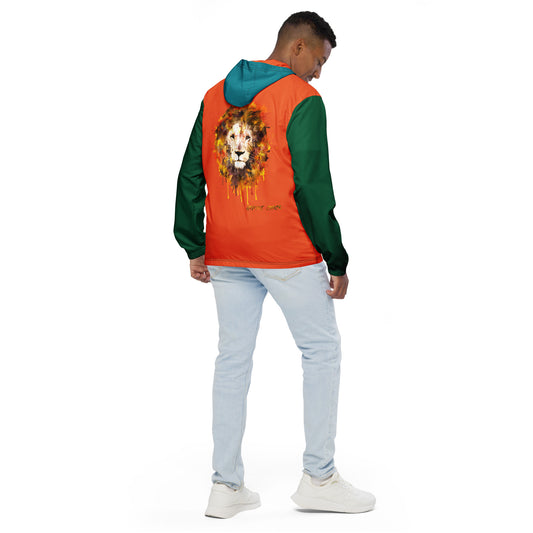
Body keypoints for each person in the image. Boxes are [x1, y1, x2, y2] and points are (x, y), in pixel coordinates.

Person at [173, 11, 376, 519]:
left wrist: (194, 244)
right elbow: (312, 186)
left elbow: (191, 172)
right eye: (319, 61)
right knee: (321, 351)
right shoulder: (301, 99)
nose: (319, 74)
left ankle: (225, 486)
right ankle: (319, 478)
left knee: (232, 360)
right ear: (298, 46)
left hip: (226, 251)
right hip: (286, 251)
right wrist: (336, 257)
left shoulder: (214, 95)